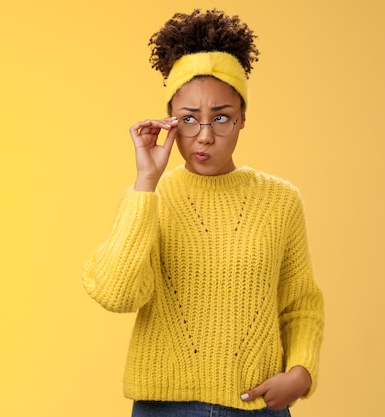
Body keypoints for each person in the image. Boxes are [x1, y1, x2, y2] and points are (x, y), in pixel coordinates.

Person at [82, 9, 325, 417]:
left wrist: (301, 371)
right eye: (190, 120)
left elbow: (300, 303)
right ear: (170, 122)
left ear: (243, 118)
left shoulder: (281, 200)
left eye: (222, 118)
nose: (205, 136)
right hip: (164, 409)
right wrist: (146, 181)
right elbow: (116, 293)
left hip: (258, 406)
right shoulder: (148, 199)